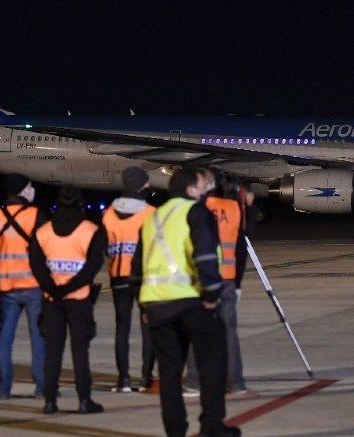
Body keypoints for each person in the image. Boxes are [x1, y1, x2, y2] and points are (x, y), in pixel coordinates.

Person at [131, 168, 240, 437]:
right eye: (203, 184)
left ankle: (175, 431)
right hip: (191, 301)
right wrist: (212, 293)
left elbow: (136, 268)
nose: (207, 189)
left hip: (157, 305)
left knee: (169, 373)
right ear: (192, 190)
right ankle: (212, 426)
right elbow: (204, 254)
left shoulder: (154, 218)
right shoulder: (195, 211)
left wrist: (144, 306)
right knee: (212, 363)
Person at [28, 185, 106, 414]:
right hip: (79, 299)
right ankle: (84, 400)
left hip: (52, 299)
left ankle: (50, 401)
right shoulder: (90, 230)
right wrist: (70, 287)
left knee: (53, 350)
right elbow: (93, 267)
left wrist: (53, 289)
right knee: (80, 351)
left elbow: (37, 265)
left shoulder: (43, 232)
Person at [0, 173, 49, 399]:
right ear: (22, 190)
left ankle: (4, 389)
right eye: (29, 187)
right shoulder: (36, 215)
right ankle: (41, 388)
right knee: (38, 337)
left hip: (7, 286)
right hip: (33, 285)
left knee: (5, 338)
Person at [103, 167, 156, 392]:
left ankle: (123, 380)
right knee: (148, 329)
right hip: (144, 277)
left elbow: (105, 247)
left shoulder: (108, 213)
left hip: (118, 276)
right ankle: (146, 378)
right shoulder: (151, 213)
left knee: (121, 328)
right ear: (142, 185)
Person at [204, 174, 253, 394]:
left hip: (202, 279)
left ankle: (198, 382)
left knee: (201, 333)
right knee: (229, 333)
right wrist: (247, 207)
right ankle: (236, 382)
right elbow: (242, 246)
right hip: (227, 278)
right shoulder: (233, 209)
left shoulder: (199, 208)